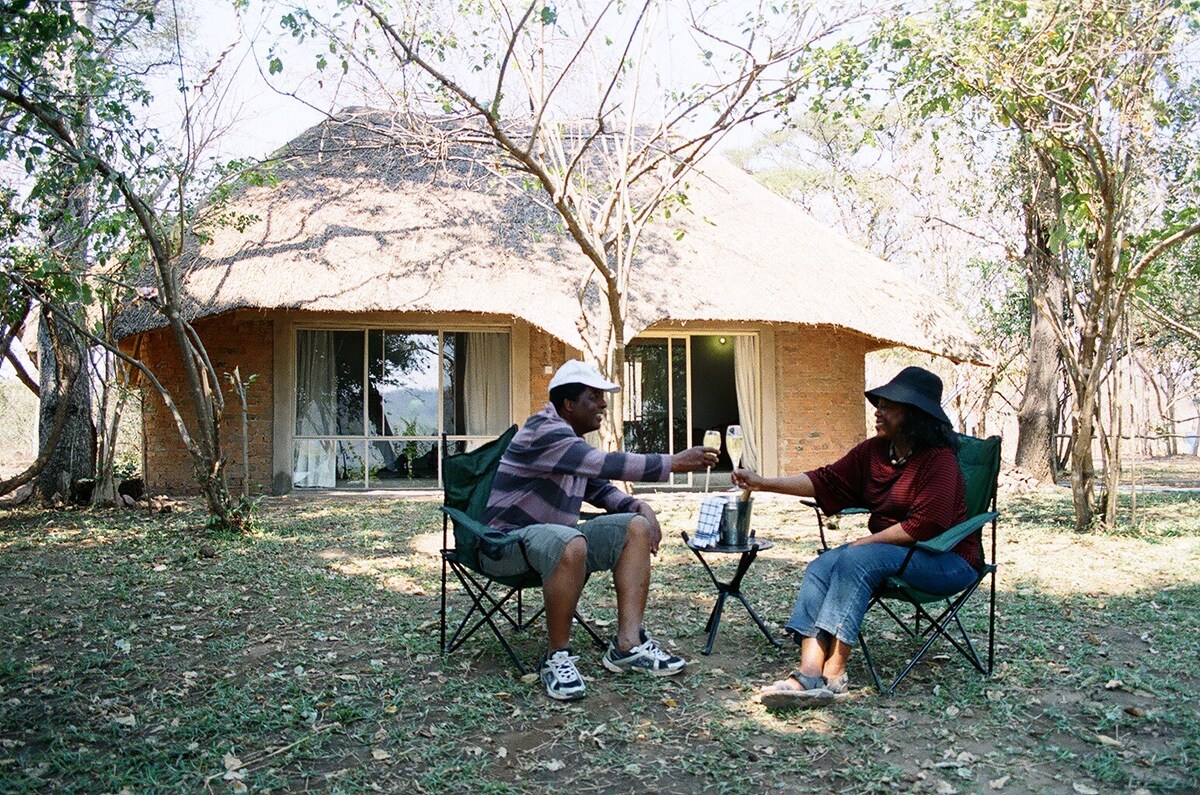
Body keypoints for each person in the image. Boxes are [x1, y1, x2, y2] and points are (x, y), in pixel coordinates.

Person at [732, 366, 978, 708]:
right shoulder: (875, 452)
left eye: (889, 405)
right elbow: (826, 481)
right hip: (890, 555)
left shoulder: (939, 461)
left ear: (915, 416)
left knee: (856, 558)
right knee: (821, 566)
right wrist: (763, 482)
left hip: (946, 560)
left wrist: (863, 544)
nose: (878, 410)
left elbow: (926, 525)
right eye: (879, 402)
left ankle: (835, 673)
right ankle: (808, 673)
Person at [483, 359, 719, 701]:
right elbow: (606, 463)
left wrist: (640, 507)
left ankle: (627, 644)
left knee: (634, 528)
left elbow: (601, 489)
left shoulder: (571, 443)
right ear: (567, 404)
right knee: (571, 540)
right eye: (594, 397)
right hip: (508, 545)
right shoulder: (544, 430)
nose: (603, 404)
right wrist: (674, 463)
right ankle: (557, 656)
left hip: (555, 544)